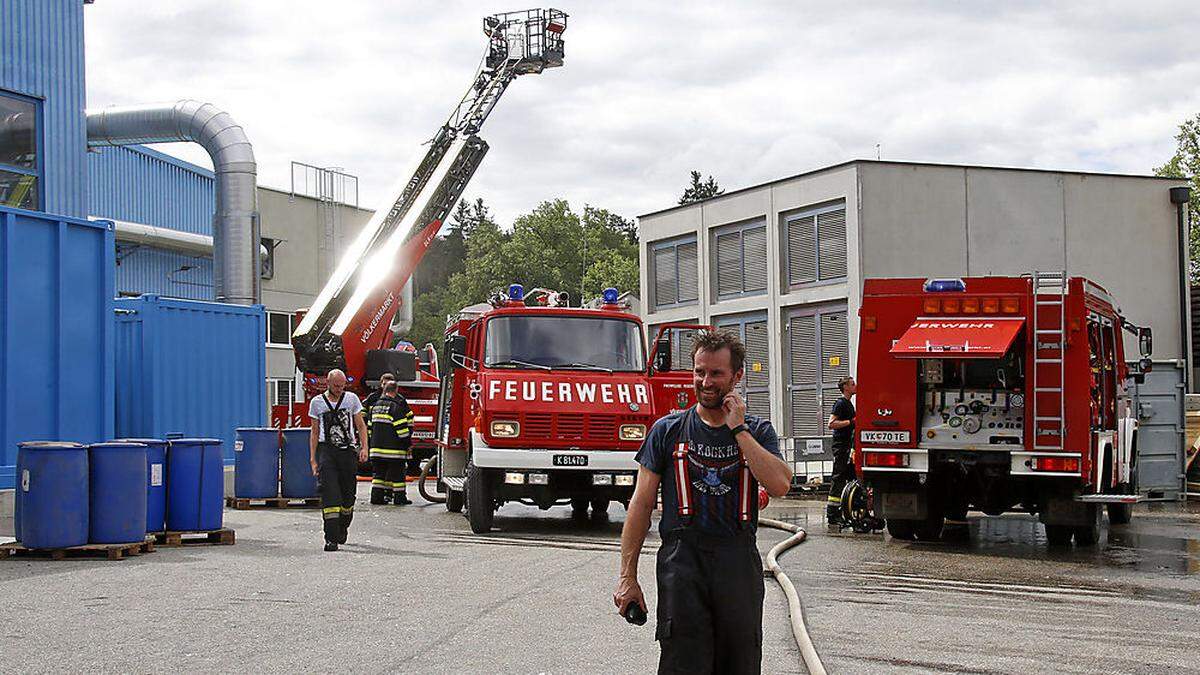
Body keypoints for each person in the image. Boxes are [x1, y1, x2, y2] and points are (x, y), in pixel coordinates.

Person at [613, 330, 792, 674]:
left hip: (737, 562)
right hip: (683, 564)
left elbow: (780, 484)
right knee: (683, 663)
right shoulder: (667, 430)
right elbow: (640, 505)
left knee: (739, 663)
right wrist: (627, 577)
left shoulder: (758, 430)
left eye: (716, 373)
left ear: (737, 376)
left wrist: (739, 431)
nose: (705, 381)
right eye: (699, 372)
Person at [308, 369, 368, 552]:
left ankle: (343, 526)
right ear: (328, 383)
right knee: (330, 495)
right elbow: (314, 432)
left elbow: (360, 425)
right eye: (336, 386)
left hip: (347, 452)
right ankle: (331, 539)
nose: (339, 389)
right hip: (327, 452)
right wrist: (313, 459)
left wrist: (364, 447)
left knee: (348, 497)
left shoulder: (351, 400)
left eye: (342, 386)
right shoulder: (317, 403)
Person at [368, 379, 415, 506]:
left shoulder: (375, 406)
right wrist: (408, 445)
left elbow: (370, 428)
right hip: (394, 451)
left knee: (378, 475)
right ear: (396, 391)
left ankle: (376, 498)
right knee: (398, 476)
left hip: (376, 450)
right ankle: (400, 499)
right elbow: (402, 431)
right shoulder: (395, 407)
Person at [826, 376, 857, 527]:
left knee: (849, 476)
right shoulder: (840, 403)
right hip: (841, 446)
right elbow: (831, 424)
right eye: (852, 384)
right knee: (838, 477)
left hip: (848, 446)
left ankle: (845, 510)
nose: (855, 386)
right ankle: (832, 514)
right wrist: (851, 422)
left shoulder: (849, 404)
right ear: (845, 387)